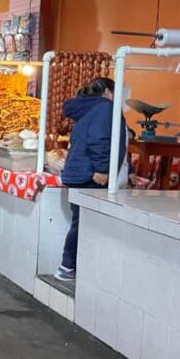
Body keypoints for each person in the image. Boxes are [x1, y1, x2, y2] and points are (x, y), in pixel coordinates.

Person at [54, 77, 127, 282]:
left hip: (79, 172)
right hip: (90, 174)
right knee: (84, 222)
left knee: (82, 220)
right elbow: (99, 139)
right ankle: (67, 266)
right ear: (107, 91)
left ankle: (74, 266)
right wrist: (103, 168)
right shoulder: (105, 108)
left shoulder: (89, 108)